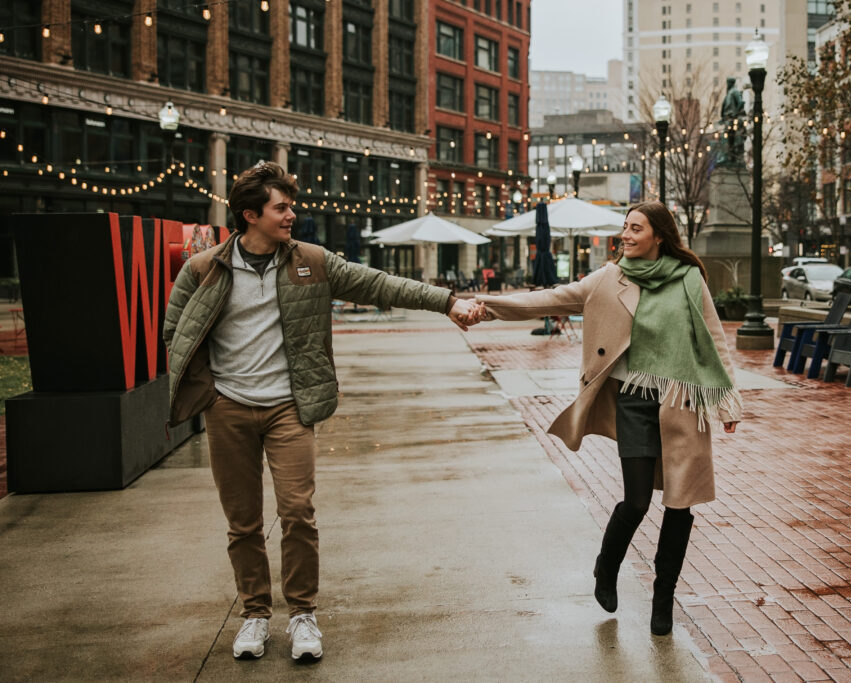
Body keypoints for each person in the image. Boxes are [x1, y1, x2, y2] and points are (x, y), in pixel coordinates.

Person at [162, 161, 480, 662]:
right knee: (242, 522)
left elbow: (378, 284)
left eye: (290, 206)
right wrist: (211, 394)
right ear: (250, 215)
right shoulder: (204, 269)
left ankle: (303, 615)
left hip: (290, 408)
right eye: (281, 207)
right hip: (228, 410)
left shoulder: (310, 261)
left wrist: (447, 302)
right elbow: (175, 331)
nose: (292, 215)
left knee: (297, 514)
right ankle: (254, 616)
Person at [474, 201, 742, 635]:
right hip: (634, 400)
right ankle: (607, 564)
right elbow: (550, 298)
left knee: (679, 506)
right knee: (636, 501)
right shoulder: (609, 278)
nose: (626, 235)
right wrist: (487, 307)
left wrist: (728, 402)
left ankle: (663, 599)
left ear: (659, 235)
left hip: (682, 402)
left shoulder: (689, 278)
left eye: (636, 228)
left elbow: (712, 337)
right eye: (625, 227)